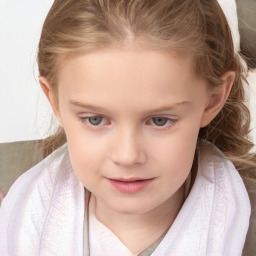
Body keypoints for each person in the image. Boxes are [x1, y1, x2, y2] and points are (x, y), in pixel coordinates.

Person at [0, 0, 255, 255]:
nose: (127, 156)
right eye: (95, 119)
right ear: (54, 100)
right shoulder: (12, 203)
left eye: (160, 120)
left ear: (213, 100)